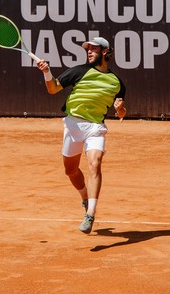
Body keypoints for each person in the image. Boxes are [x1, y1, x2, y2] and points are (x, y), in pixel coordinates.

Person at [36, 36, 126, 234]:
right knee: (71, 171)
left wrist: (120, 109)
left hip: (95, 127)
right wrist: (46, 72)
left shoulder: (116, 82)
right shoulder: (79, 71)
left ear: (104, 52)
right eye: (88, 48)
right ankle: (85, 198)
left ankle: (90, 214)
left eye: (94, 48)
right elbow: (53, 89)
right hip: (72, 125)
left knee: (95, 164)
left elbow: (121, 112)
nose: (89, 51)